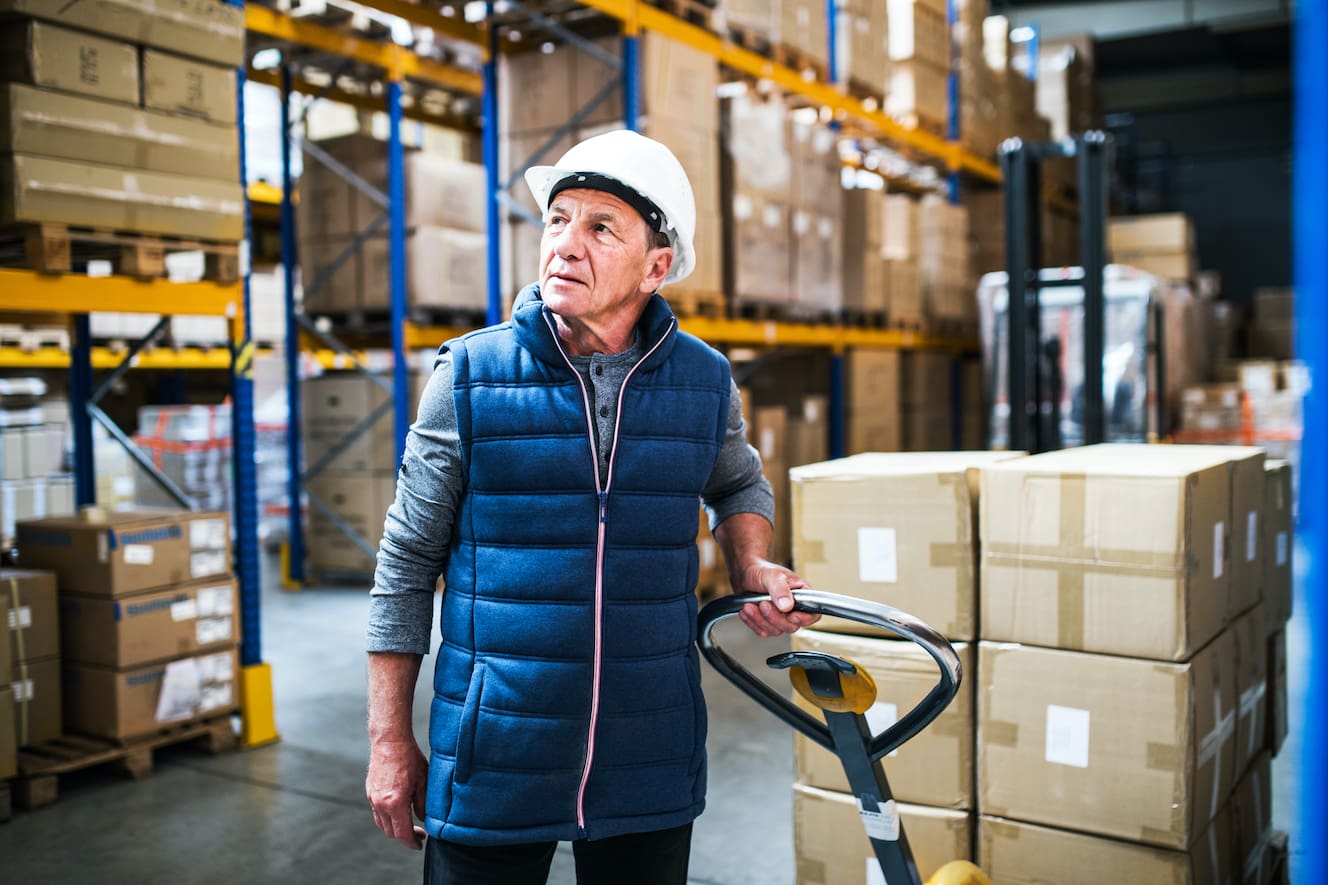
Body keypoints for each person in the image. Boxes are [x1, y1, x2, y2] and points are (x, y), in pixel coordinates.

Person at [365, 129, 818, 885]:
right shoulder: (470, 377)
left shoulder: (703, 382)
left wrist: (750, 560)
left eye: (601, 227)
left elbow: (737, 483)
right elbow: (405, 565)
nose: (566, 245)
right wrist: (388, 741)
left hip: (649, 751)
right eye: (558, 219)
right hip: (495, 752)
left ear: (656, 267)